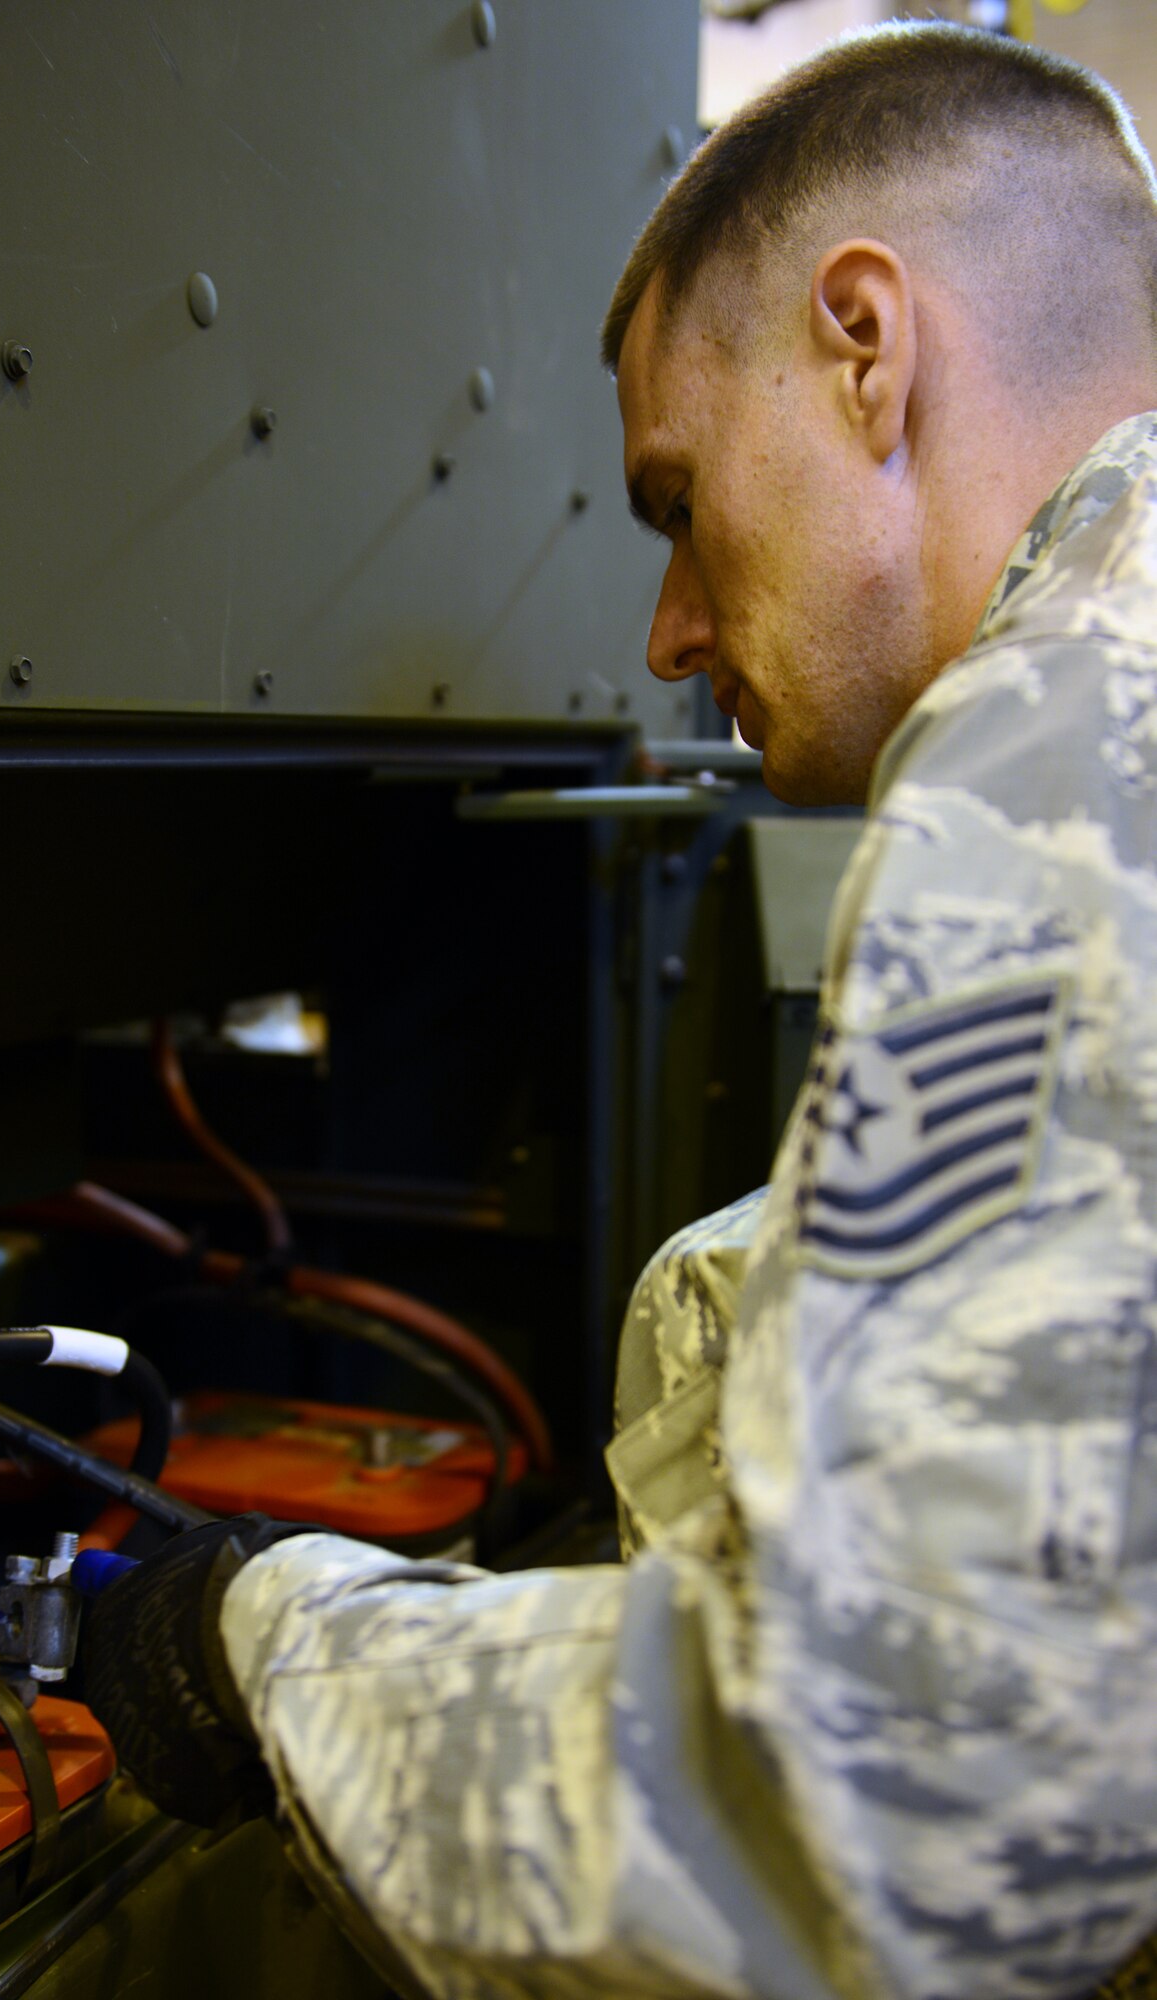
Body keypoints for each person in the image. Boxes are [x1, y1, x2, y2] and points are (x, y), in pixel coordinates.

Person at [84, 24, 1157, 1999]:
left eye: (675, 498)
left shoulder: (1074, 719)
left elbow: (872, 1820)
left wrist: (266, 1636)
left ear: (864, 343)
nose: (663, 628)